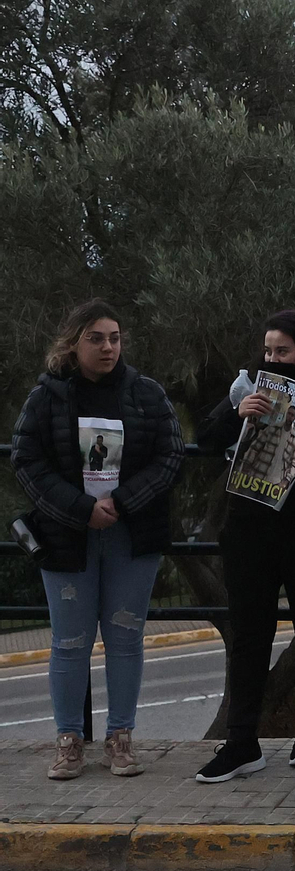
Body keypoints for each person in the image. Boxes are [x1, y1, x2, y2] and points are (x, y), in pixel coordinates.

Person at [12, 300, 183, 780]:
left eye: (114, 337)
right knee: (69, 642)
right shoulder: (46, 397)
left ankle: (120, 740)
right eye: (96, 338)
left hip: (132, 536)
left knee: (126, 638)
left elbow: (170, 457)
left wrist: (121, 504)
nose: (108, 347)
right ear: (74, 342)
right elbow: (26, 462)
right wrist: (81, 509)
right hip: (68, 539)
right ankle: (69, 742)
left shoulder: (147, 394)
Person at [193, 310, 295, 782]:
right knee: (250, 635)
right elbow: (204, 438)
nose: (274, 359)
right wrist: (238, 413)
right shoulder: (247, 389)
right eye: (268, 351)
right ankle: (241, 742)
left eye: (284, 351)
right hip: (250, 530)